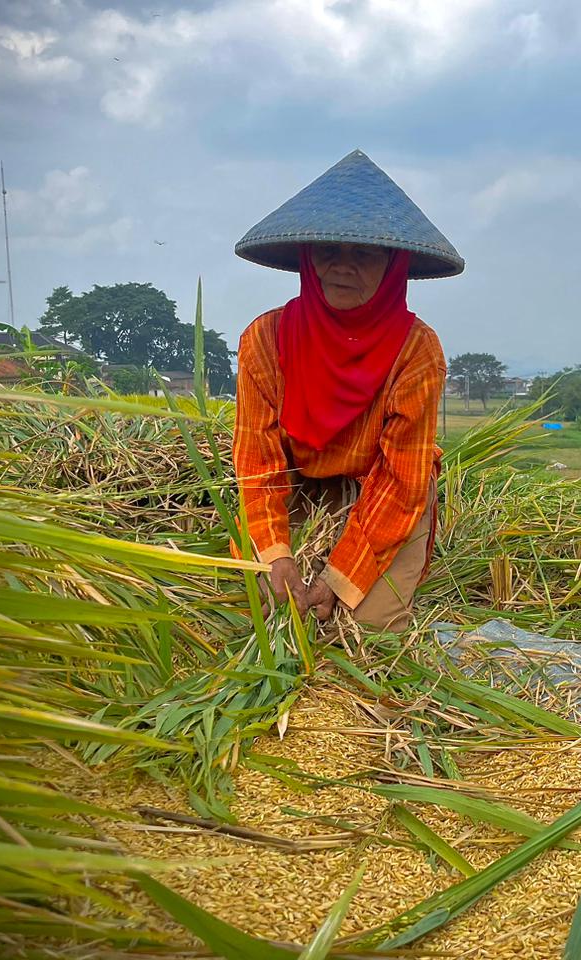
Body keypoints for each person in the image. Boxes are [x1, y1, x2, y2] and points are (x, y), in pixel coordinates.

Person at [230, 150, 464, 632]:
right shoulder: (266, 340)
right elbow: (259, 464)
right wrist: (276, 556)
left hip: (378, 489)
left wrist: (339, 579)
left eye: (365, 253)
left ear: (393, 264)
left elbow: (402, 480)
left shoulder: (416, 351)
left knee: (367, 628)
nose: (342, 267)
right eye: (329, 252)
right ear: (307, 259)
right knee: (263, 610)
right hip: (299, 482)